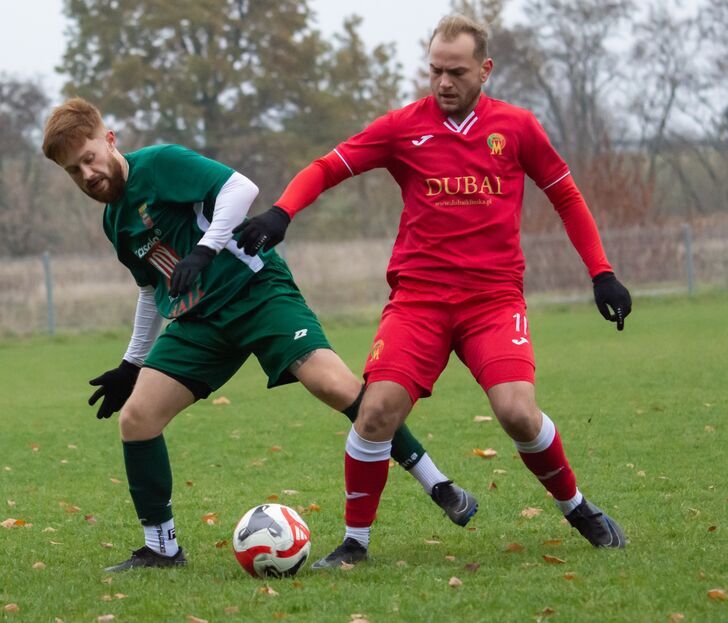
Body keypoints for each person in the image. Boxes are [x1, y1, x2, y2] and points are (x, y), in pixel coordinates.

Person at [234, 14, 632, 569]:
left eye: (457, 72)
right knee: (375, 414)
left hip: (493, 302)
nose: (443, 82)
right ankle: (355, 544)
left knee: (518, 413)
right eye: (435, 71)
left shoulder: (516, 128)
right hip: (419, 302)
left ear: (485, 70)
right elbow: (328, 167)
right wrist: (282, 211)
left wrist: (601, 271)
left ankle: (577, 507)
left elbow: (566, 196)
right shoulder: (404, 127)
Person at [41, 98, 478, 572]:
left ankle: (439, 484)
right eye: (72, 171)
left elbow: (240, 188)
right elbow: (150, 290)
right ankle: (162, 549)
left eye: (88, 158)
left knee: (332, 384)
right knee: (137, 419)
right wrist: (132, 363)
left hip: (255, 291)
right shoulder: (115, 221)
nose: (86, 174)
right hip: (200, 322)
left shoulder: (160, 164)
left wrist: (206, 252)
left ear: (109, 140)